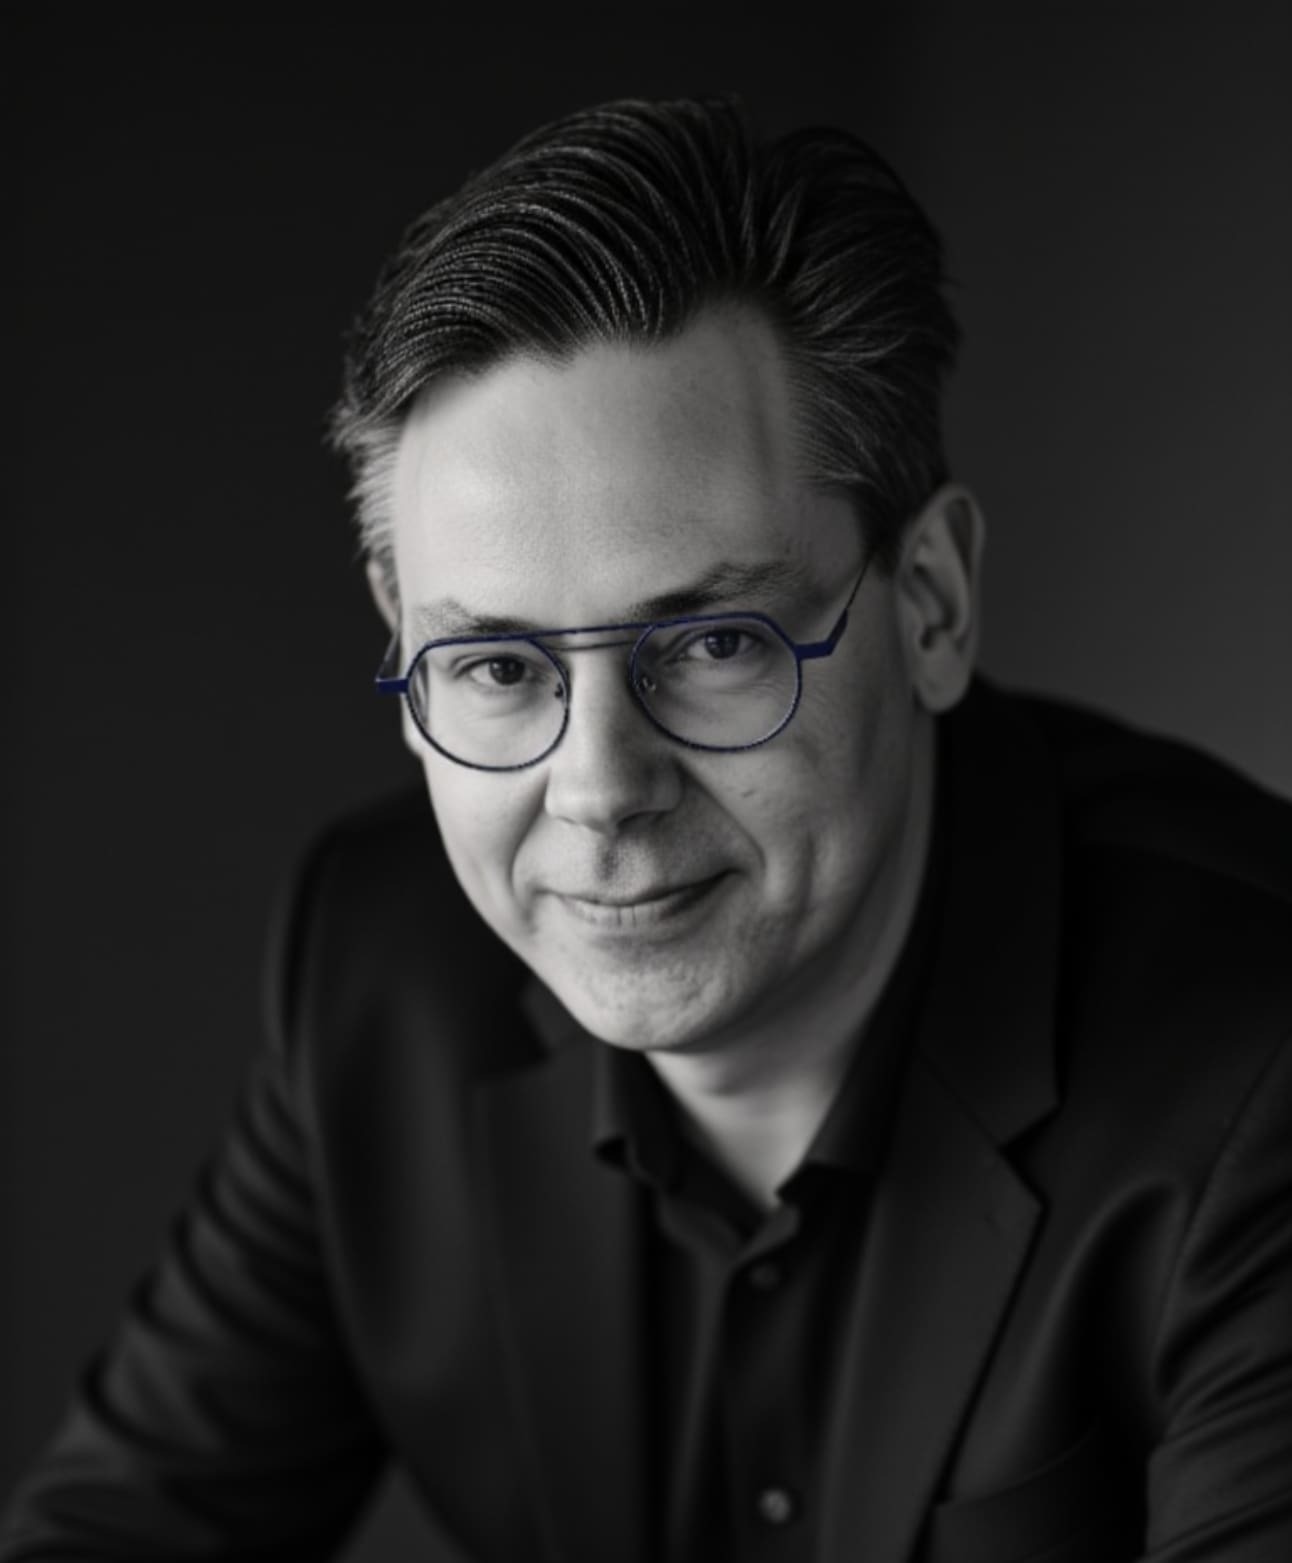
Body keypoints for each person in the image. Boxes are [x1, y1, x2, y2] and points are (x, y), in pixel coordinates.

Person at [4, 96, 1291, 1563]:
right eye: (496, 666)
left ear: (929, 603)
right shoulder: (379, 976)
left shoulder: (1260, 1064)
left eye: (715, 643)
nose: (600, 788)